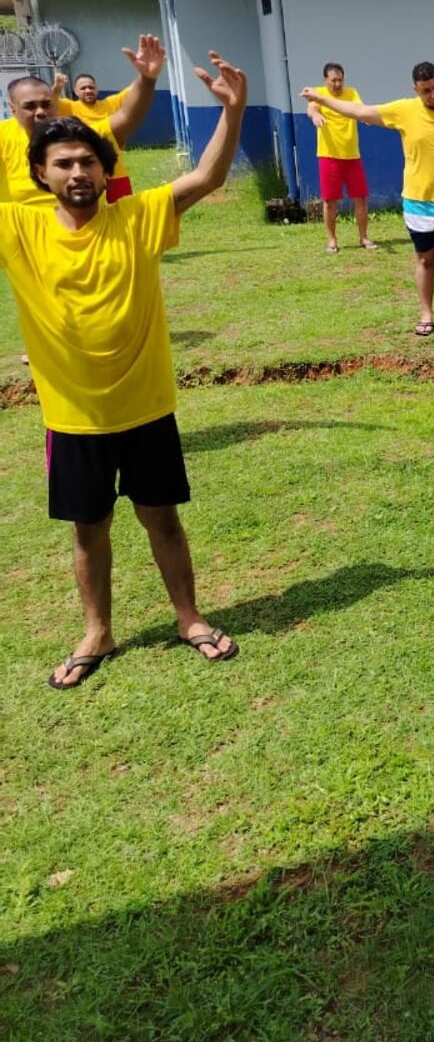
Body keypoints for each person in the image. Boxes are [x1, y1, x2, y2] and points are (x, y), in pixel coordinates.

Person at [0, 52, 250, 688]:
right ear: (41, 174)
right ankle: (97, 631)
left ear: (106, 169)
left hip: (146, 408)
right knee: (89, 530)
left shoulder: (137, 218)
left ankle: (189, 617)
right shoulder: (18, 230)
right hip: (73, 417)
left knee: (162, 518)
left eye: (89, 161)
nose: (78, 171)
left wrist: (234, 108)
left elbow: (208, 175)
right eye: (64, 163)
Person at [303, 62, 434, 334]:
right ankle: (426, 314)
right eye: (426, 91)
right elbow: (360, 111)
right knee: (425, 260)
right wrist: (320, 99)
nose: (433, 94)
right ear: (416, 90)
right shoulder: (404, 110)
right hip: (418, 202)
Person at [2, 36, 167, 207]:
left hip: (90, 223)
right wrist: (57, 87)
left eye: (46, 105)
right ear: (13, 109)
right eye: (29, 106)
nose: (41, 112)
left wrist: (147, 79)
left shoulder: (79, 134)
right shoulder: (5, 135)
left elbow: (127, 116)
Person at [303, 62, 376, 253]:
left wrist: (366, 117)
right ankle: (332, 240)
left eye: (340, 80)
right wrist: (314, 117)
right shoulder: (319, 93)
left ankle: (364, 237)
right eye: (333, 80)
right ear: (325, 80)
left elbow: (360, 108)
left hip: (352, 156)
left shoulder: (351, 93)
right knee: (330, 200)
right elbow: (311, 108)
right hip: (329, 155)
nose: (337, 84)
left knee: (360, 198)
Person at [53, 70, 128, 128]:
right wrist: (56, 88)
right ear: (76, 92)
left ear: (97, 90)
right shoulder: (70, 107)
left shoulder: (110, 104)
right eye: (83, 88)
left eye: (91, 87)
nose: (88, 91)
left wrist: (140, 73)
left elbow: (131, 91)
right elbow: (51, 102)